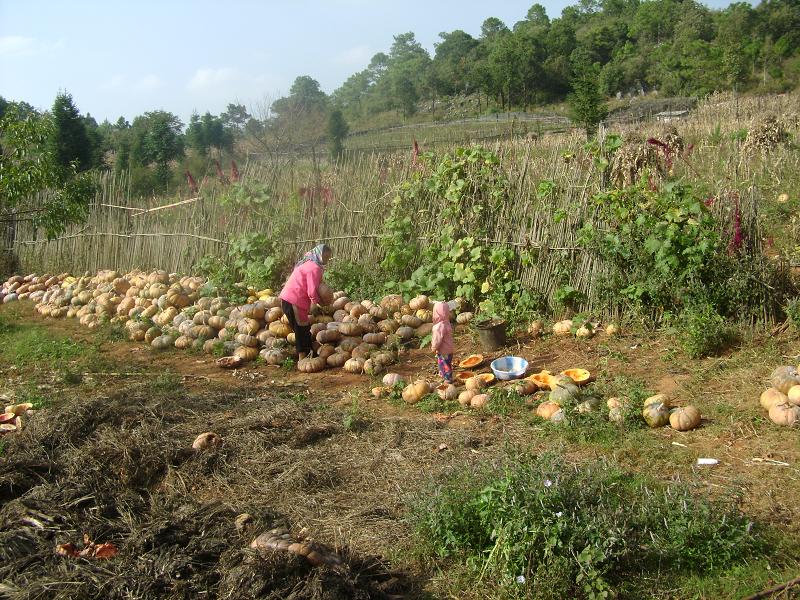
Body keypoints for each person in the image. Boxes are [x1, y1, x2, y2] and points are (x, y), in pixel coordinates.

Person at [279, 244, 332, 359]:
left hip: (289, 300)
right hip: (294, 300)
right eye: (325, 257)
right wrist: (319, 303)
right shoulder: (315, 268)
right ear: (319, 254)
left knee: (304, 327)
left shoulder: (307, 263)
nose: (326, 261)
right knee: (301, 330)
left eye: (328, 258)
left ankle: (309, 353)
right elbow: (312, 290)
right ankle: (302, 358)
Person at [431, 301, 454, 383]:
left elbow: (437, 339)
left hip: (443, 350)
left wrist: (434, 347)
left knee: (444, 364)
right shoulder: (447, 323)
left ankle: (447, 379)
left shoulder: (438, 326)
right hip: (449, 349)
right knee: (447, 363)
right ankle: (445, 376)